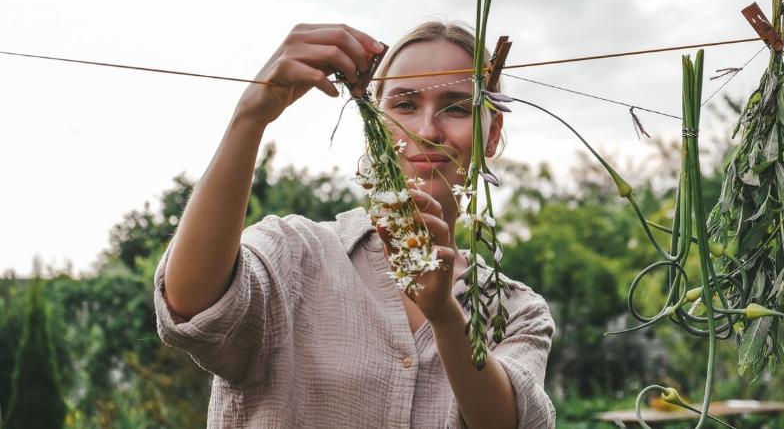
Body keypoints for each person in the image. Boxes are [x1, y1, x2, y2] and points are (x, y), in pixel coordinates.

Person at [154, 21, 556, 429]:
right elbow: (191, 304)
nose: (426, 130)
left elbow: (509, 423)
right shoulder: (294, 253)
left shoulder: (516, 310)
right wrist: (251, 116)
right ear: (373, 122)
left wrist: (446, 316)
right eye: (404, 105)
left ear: (492, 135)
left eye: (457, 108)